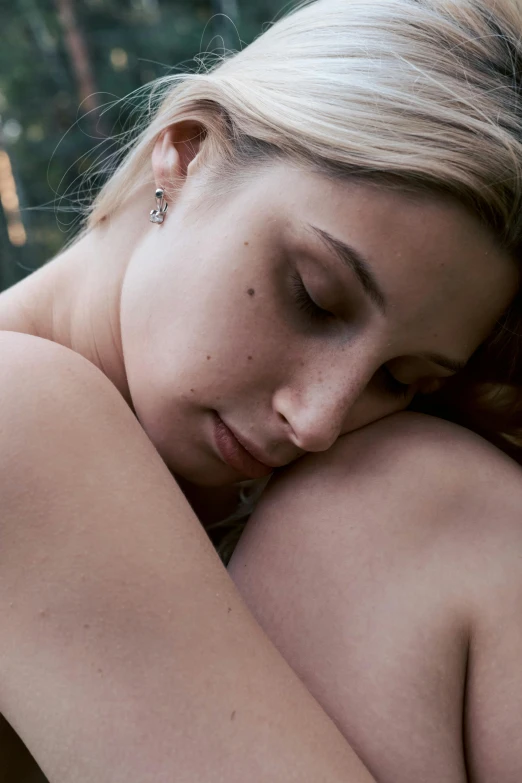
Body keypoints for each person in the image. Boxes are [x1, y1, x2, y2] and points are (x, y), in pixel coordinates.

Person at [0, 0, 522, 780]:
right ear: (186, 154)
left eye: (399, 380)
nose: (317, 421)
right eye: (313, 295)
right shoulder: (20, 406)